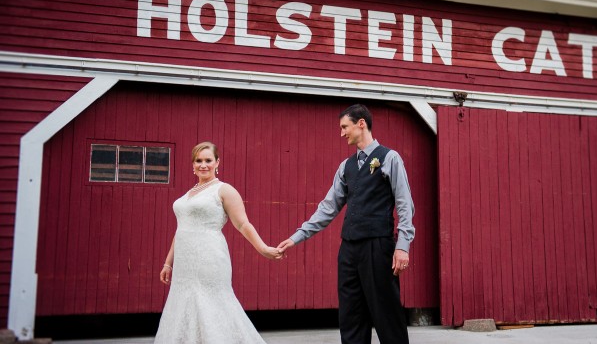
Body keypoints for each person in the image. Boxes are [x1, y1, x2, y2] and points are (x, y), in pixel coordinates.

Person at [277, 104, 415, 344]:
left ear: (361, 123)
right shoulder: (345, 167)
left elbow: (405, 206)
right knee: (351, 316)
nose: (341, 133)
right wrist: (297, 236)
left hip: (378, 247)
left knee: (386, 315)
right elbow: (328, 208)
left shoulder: (389, 158)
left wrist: (402, 246)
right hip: (349, 250)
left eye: (344, 126)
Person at [155, 141, 284, 344]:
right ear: (192, 164)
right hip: (185, 263)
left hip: (209, 257)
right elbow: (181, 230)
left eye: (208, 160)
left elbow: (243, 224)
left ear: (217, 163)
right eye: (198, 160)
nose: (203, 165)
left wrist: (263, 248)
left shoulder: (224, 190)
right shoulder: (189, 194)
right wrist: (168, 262)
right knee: (184, 303)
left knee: (211, 302)